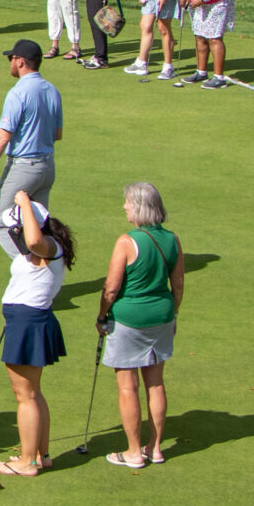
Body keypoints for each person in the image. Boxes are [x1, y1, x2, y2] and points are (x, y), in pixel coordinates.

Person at [98, 182, 183, 468]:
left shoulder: (126, 241)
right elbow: (178, 284)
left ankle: (134, 452)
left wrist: (102, 316)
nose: (124, 206)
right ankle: (155, 448)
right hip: (162, 316)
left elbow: (111, 288)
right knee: (155, 383)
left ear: (139, 207)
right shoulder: (172, 239)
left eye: (128, 202)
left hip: (129, 319)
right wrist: (173, 315)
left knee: (128, 387)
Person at [0, 191, 71, 478]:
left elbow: (35, 240)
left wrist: (24, 203)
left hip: (28, 322)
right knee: (33, 393)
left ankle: (27, 462)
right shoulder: (40, 250)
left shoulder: (47, 245)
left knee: (25, 395)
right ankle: (40, 455)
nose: (16, 234)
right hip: (25, 321)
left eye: (19, 228)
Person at [0, 38, 61, 213]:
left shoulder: (18, 93)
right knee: (37, 222)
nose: (10, 63)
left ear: (20, 62)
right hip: (48, 167)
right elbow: (57, 134)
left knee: (1, 221)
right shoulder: (52, 90)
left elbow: (2, 139)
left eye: (10, 59)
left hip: (25, 166)